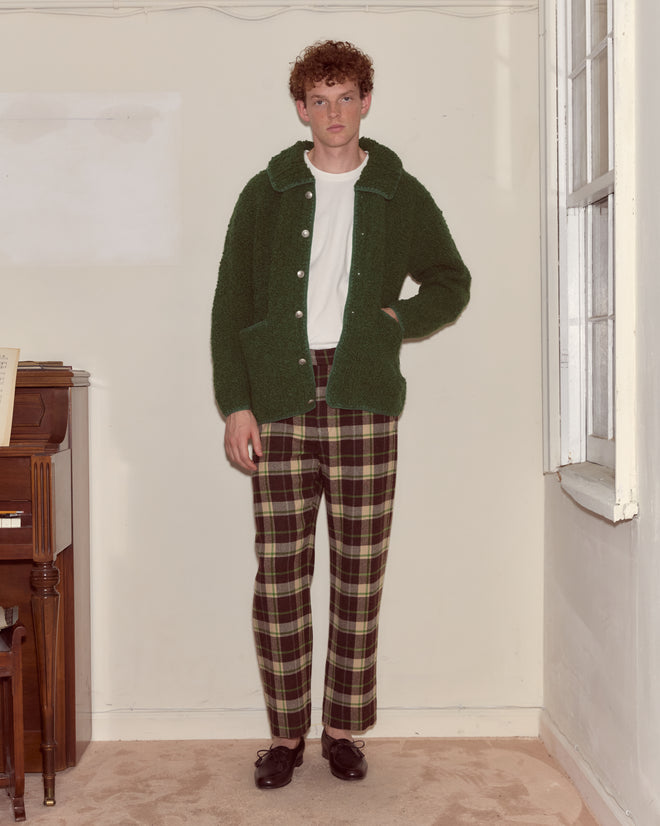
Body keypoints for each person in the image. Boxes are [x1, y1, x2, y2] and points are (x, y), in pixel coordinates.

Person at [211, 39, 470, 789]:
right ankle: (287, 736)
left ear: (365, 102)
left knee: (359, 572)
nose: (333, 112)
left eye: (346, 96)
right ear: (301, 107)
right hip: (281, 396)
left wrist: (395, 319)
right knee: (282, 575)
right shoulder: (266, 192)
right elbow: (231, 302)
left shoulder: (396, 189)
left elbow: (451, 280)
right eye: (318, 99)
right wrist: (237, 404)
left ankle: (343, 729)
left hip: (362, 396)